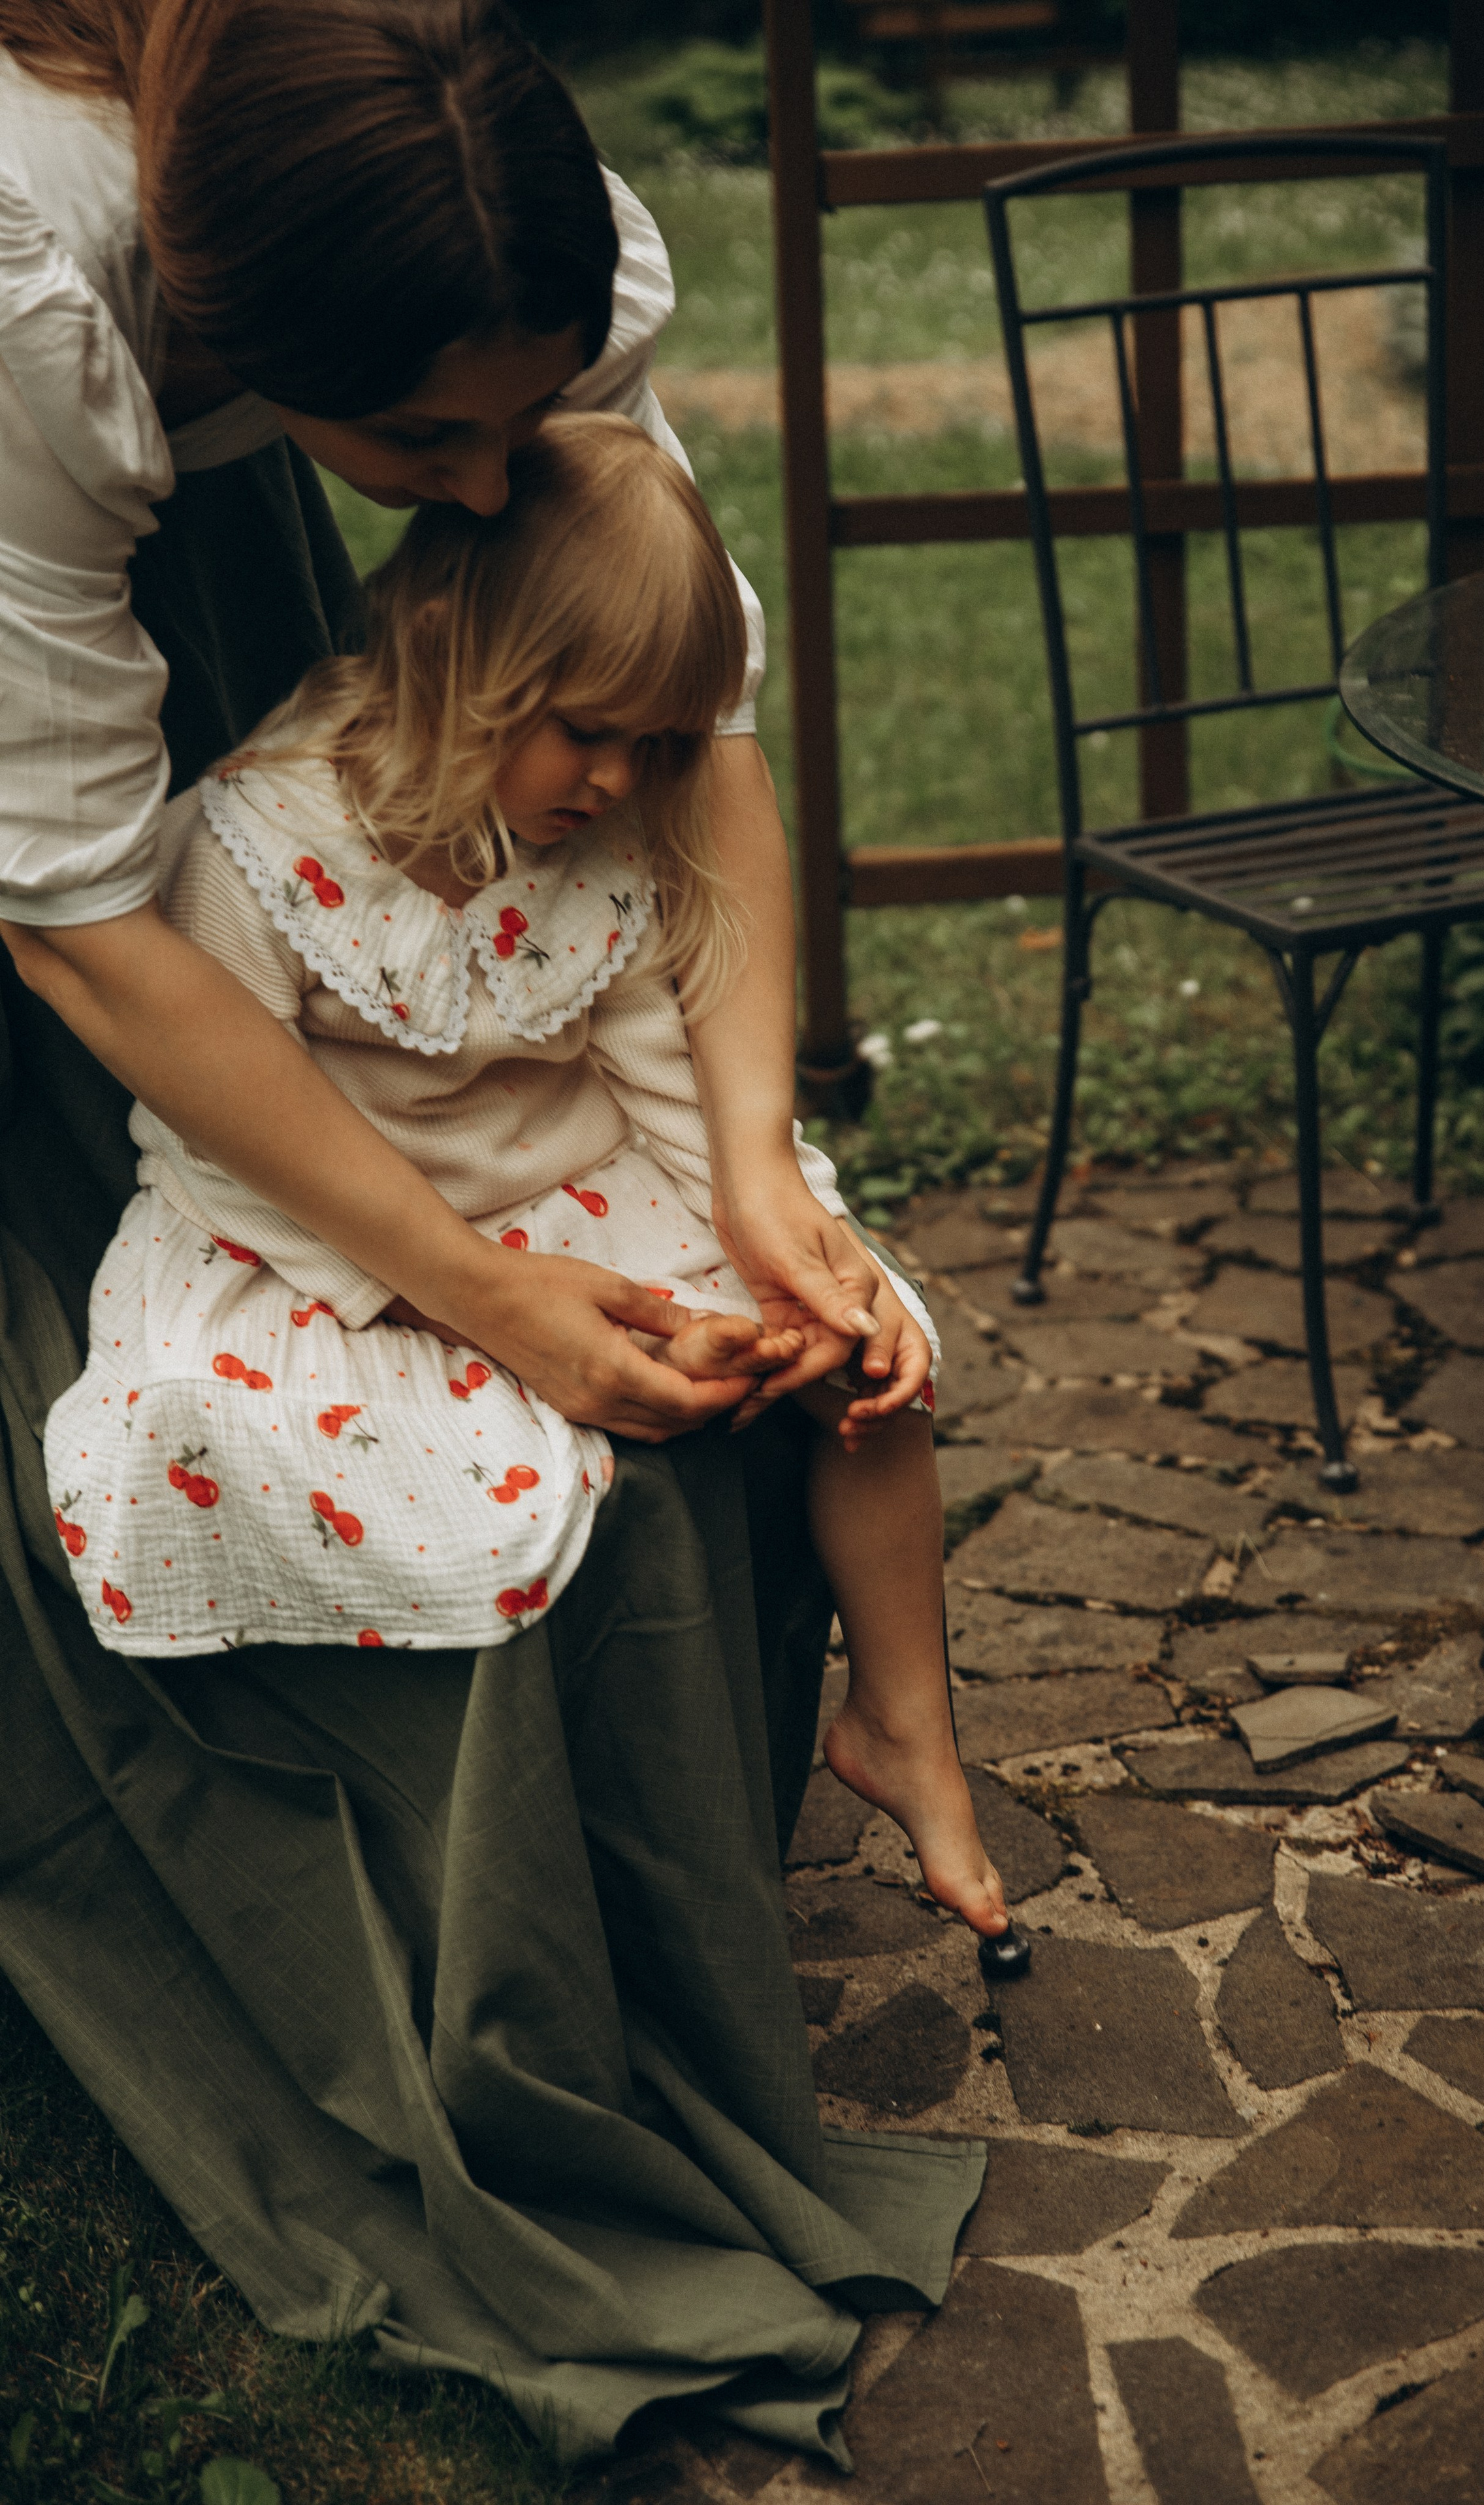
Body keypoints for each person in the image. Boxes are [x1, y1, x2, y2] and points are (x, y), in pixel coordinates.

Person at [0, 0, 986, 2476]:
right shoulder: (38, 295)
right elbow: (89, 920)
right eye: (428, 448)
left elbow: (688, 724)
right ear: (235, 342)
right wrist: (486, 1289)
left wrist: (753, 1165)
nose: (478, 489)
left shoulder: (461, 209)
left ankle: (857, 1741)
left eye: (515, 424)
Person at [46, 412, 1012, 1938]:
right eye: (587, 731)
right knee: (337, 1447)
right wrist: (441, 1294)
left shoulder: (599, 816)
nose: (620, 780)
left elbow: (660, 1071)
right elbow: (212, 1136)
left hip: (574, 1184)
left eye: (660, 747)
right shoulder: (259, 847)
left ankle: (907, 1724)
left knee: (865, 1361)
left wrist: (795, 1242)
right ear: (448, 652)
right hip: (335, 1233)